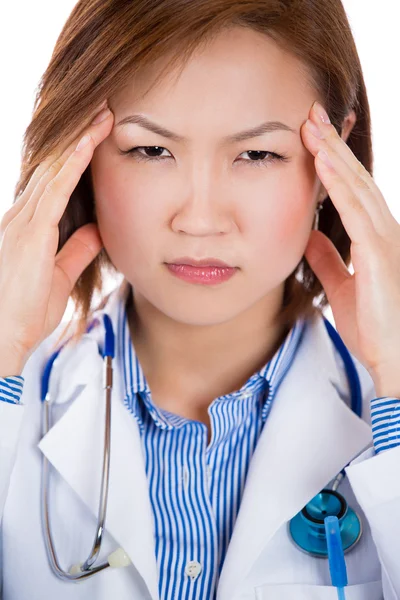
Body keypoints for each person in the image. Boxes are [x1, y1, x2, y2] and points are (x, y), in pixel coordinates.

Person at [1, 0, 400, 598]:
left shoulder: (387, 408)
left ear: (330, 160)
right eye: (150, 150)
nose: (201, 220)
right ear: (77, 157)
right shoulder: (17, 392)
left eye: (258, 154)